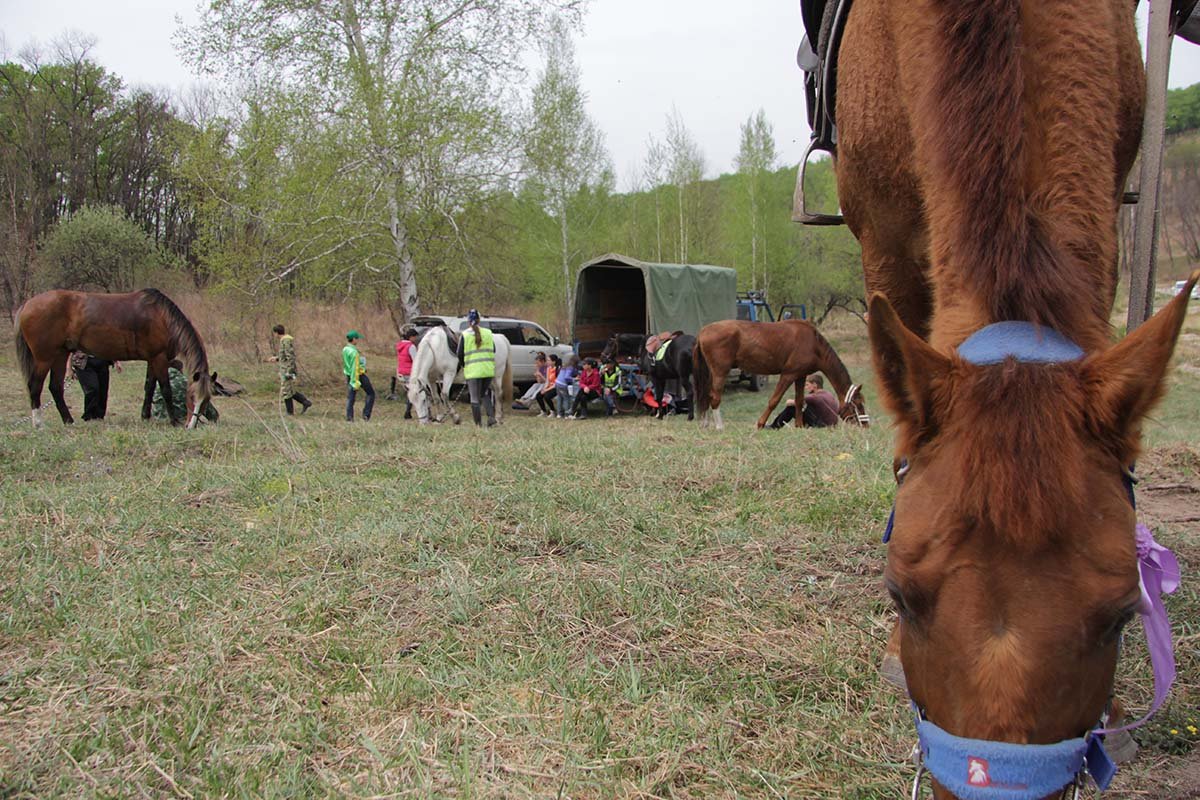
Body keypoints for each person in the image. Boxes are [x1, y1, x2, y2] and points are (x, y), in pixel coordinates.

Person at [455, 309, 497, 427]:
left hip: (473, 370)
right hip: (487, 369)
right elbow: (493, 350)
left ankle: (478, 424)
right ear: (479, 320)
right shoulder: (488, 333)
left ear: (468, 321)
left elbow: (459, 353)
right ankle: (491, 417)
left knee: (474, 398)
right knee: (484, 394)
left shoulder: (465, 335)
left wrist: (464, 365)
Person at [153, 359, 219, 422]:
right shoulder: (186, 383)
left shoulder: (156, 383)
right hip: (181, 420)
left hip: (158, 420)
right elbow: (211, 413)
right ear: (181, 370)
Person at [769, 373, 840, 429]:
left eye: (807, 385)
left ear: (815, 385)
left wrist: (790, 401)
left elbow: (789, 403)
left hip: (822, 425)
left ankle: (774, 426)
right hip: (832, 425)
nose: (805, 388)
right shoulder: (828, 394)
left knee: (792, 408)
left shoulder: (814, 397)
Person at [271, 324, 312, 415]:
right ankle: (305, 402)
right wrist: (277, 358)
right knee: (290, 390)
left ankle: (290, 412)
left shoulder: (286, 341)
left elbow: (290, 357)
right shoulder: (284, 340)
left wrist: (289, 372)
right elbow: (285, 355)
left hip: (287, 370)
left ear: (276, 333)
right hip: (286, 369)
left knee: (286, 391)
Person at [71, 351, 120, 421]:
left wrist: (116, 360)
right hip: (83, 362)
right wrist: (69, 369)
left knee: (103, 390)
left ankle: (99, 416)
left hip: (102, 360)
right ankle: (89, 416)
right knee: (93, 389)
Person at [342, 330, 375, 421]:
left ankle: (349, 417)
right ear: (353, 339)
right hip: (357, 375)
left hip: (348, 374)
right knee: (371, 393)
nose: (358, 340)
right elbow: (355, 368)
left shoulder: (345, 349)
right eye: (357, 339)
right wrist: (355, 381)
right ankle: (366, 415)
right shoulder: (354, 353)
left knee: (351, 398)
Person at [393, 328, 419, 418]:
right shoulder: (411, 347)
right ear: (411, 337)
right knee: (414, 392)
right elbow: (416, 360)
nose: (416, 339)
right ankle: (408, 412)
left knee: (410, 392)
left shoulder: (400, 345)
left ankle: (408, 412)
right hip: (409, 372)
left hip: (401, 371)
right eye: (415, 337)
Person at [554, 354, 579, 419]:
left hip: (557, 383)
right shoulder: (570, 368)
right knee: (566, 398)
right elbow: (567, 377)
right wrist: (574, 379)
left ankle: (559, 414)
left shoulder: (565, 366)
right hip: (563, 384)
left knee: (559, 398)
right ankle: (567, 414)